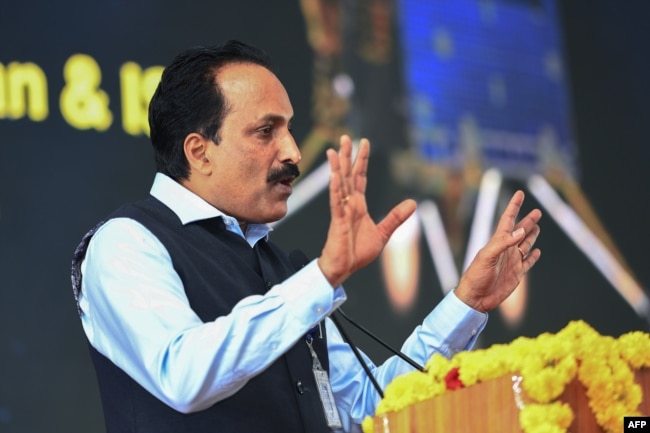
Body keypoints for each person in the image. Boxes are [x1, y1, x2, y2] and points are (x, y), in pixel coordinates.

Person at [70, 40, 542, 433]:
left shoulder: (285, 271)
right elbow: (183, 375)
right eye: (265, 132)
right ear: (199, 151)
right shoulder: (126, 243)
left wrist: (466, 305)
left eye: (289, 129)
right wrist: (323, 276)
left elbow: (367, 409)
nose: (294, 152)